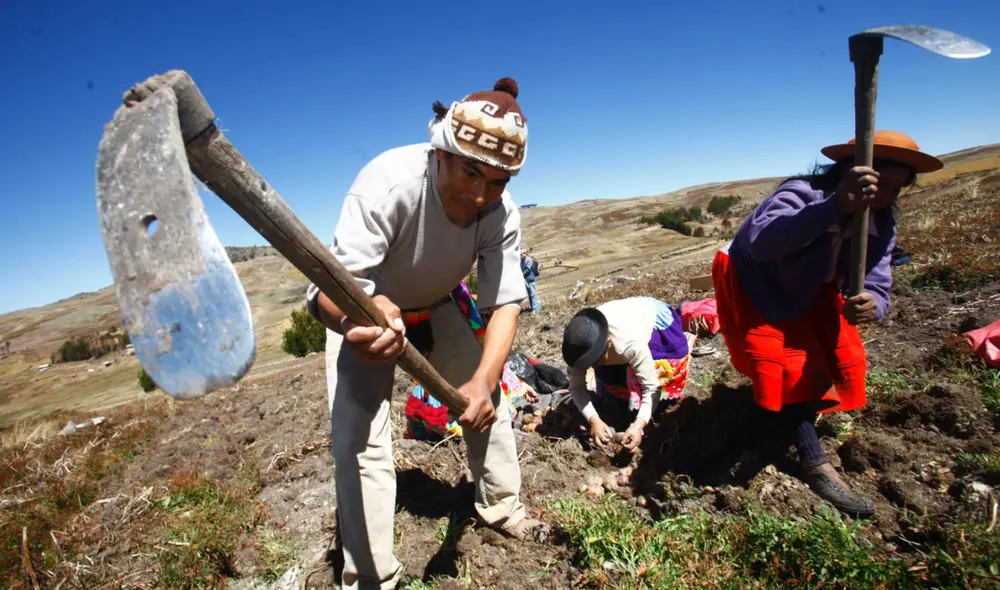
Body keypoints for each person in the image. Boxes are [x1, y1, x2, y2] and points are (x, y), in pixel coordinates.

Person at [304, 77, 549, 589]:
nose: (481, 194)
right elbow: (326, 290)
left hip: (440, 303)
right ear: (442, 150)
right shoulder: (387, 183)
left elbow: (505, 301)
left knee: (487, 404)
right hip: (365, 314)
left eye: (500, 182)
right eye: (470, 172)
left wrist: (483, 381)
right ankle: (371, 576)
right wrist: (357, 319)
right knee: (360, 442)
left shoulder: (499, 214)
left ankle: (503, 509)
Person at [711, 130, 944, 519]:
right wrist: (835, 206)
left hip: (812, 286)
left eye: (895, 189)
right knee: (784, 360)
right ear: (851, 173)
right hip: (758, 280)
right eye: (878, 184)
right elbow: (764, 242)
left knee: (836, 348)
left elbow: (878, 278)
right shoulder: (803, 193)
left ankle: (785, 416)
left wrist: (874, 302)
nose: (883, 197)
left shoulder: (881, 220)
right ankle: (812, 460)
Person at [561, 297, 693, 452]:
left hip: (654, 322)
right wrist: (594, 420)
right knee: (611, 381)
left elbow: (651, 388)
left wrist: (639, 426)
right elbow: (576, 388)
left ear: (608, 343)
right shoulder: (577, 348)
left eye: (594, 361)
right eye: (587, 364)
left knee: (663, 376)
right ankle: (629, 412)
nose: (590, 367)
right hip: (622, 323)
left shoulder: (630, 345)